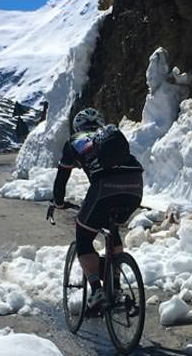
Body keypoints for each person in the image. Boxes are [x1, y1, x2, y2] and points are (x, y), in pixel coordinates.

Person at [52, 107, 144, 311]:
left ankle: (96, 291)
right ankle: (116, 284)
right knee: (112, 230)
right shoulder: (109, 138)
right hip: (135, 186)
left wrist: (58, 202)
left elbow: (61, 180)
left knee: (83, 237)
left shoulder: (74, 142)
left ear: (77, 127)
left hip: (105, 188)